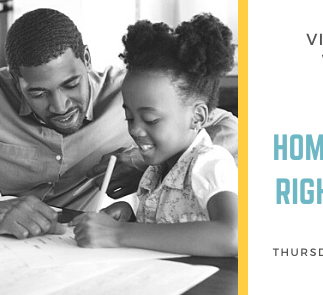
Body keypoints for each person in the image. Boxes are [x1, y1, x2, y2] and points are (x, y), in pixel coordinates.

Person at [0, 8, 237, 240]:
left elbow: (231, 131)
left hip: (72, 245)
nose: (60, 107)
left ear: (86, 58)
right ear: (16, 80)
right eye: (38, 94)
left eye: (71, 84)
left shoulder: (133, 93)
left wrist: (144, 162)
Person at [70, 13, 237, 256]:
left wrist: (118, 234)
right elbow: (169, 218)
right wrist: (129, 214)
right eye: (129, 117)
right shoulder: (158, 168)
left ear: (198, 117)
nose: (135, 130)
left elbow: (233, 236)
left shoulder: (210, 162)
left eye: (151, 120)